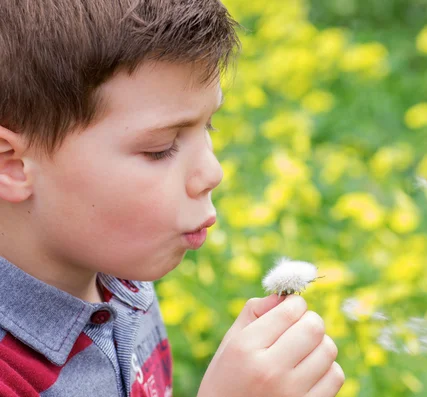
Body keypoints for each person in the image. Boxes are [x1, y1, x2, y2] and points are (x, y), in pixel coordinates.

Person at [0, 1, 345, 396]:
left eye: (209, 125)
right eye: (160, 148)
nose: (213, 173)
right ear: (13, 165)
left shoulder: (122, 283)